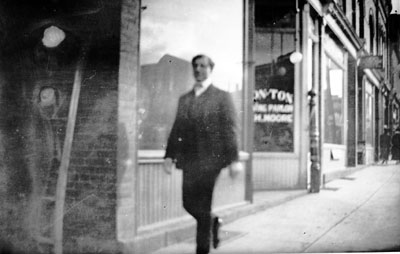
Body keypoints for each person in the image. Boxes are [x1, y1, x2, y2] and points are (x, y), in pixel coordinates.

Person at [163, 54, 241, 254]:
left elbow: (230, 129)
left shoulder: (222, 96)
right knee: (188, 203)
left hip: (211, 161)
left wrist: (234, 160)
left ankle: (202, 249)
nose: (198, 69)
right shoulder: (185, 99)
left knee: (203, 205)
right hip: (189, 161)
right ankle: (214, 221)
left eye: (202, 66)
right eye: (195, 66)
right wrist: (169, 156)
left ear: (210, 69)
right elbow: (177, 129)